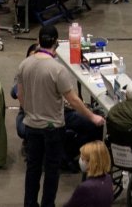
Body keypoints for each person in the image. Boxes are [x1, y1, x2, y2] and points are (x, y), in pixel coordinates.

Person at [15, 24, 106, 207]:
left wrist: (30, 111)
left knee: (32, 169)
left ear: (38, 41)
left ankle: (30, 204)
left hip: (32, 126)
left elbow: (21, 95)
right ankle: (48, 204)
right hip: (52, 128)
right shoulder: (57, 69)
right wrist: (92, 116)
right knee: (51, 170)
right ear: (56, 43)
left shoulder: (24, 65)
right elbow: (73, 100)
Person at [62, 141, 114, 207]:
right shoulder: (108, 179)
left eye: (82, 158)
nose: (80, 160)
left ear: (91, 162)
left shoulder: (85, 187)